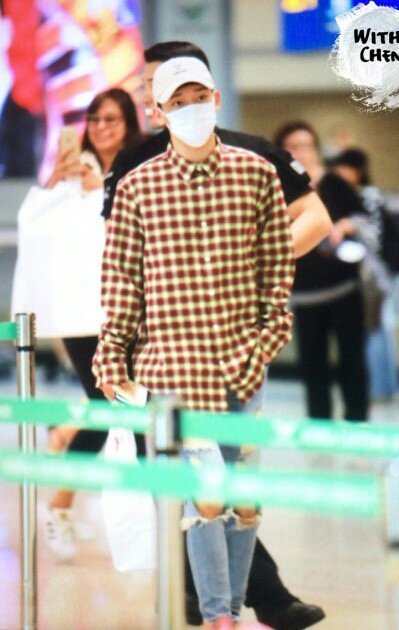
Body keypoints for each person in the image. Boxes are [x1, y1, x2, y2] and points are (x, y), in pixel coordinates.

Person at [99, 41, 328, 630]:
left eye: (199, 96)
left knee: (243, 501)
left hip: (242, 361)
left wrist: (265, 340)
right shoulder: (138, 185)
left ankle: (229, 608)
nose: (191, 108)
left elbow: (277, 269)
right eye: (177, 100)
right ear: (158, 110)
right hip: (172, 368)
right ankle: (219, 617)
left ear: (217, 97)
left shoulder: (257, 172)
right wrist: (112, 360)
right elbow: (122, 279)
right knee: (204, 497)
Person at [44, 88, 143, 561]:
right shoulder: (73, 170)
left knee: (125, 409)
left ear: (128, 124)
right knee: (108, 408)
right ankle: (60, 506)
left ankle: (71, 502)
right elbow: (43, 224)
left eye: (112, 119)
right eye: (96, 119)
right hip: (82, 311)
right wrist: (63, 185)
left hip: (130, 309)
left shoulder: (140, 167)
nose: (102, 127)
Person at [275, 121, 369, 422]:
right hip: (304, 293)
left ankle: (357, 424)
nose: (301, 152)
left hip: (343, 288)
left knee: (352, 361)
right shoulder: (278, 188)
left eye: (306, 145)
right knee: (313, 366)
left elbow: (364, 216)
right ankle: (319, 428)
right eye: (293, 147)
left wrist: (344, 225)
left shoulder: (334, 182)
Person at [330, 148, 399, 401]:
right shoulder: (367, 194)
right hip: (376, 274)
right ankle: (385, 387)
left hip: (373, 275)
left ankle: (378, 388)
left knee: (374, 331)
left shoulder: (367, 196)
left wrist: (350, 225)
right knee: (379, 330)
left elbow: (373, 237)